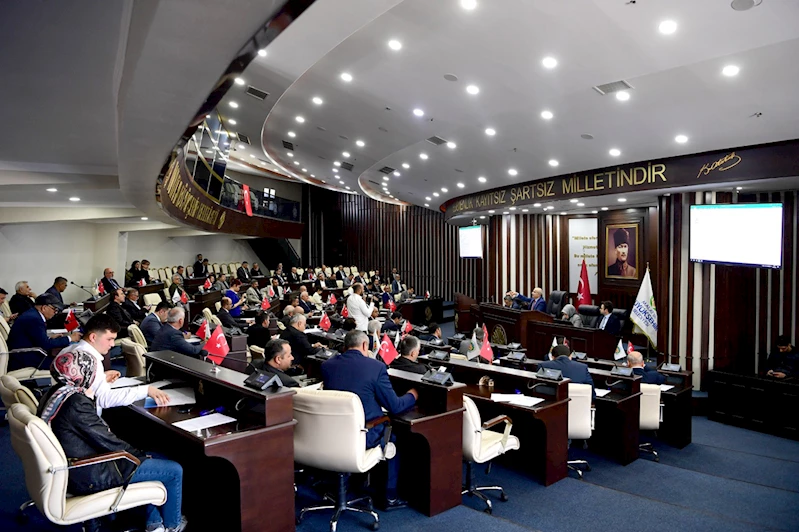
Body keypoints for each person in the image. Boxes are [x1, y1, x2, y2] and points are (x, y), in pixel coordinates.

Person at [38, 349, 187, 532]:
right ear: (85, 374)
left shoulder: (55, 392)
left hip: (74, 465)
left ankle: (154, 522)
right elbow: (107, 441)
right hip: (89, 474)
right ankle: (173, 525)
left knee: (154, 457)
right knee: (173, 470)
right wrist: (139, 456)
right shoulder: (76, 403)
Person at [321, 330, 417, 509]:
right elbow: (395, 406)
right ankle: (389, 497)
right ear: (365, 345)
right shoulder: (376, 367)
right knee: (394, 438)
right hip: (363, 433)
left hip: (332, 432)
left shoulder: (327, 365)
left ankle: (348, 485)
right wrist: (412, 395)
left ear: (345, 345)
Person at [60, 314, 169, 412]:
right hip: (85, 419)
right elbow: (104, 399)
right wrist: (145, 390)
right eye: (109, 339)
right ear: (93, 337)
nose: (112, 344)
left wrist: (101, 377)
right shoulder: (91, 360)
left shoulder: (67, 351)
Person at [6, 293, 82, 372]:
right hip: (24, 359)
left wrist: (49, 338)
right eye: (54, 309)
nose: (55, 313)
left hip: (25, 353)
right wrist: (70, 338)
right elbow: (45, 345)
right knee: (66, 363)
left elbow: (37, 339)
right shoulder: (34, 319)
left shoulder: (32, 314)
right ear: (44, 308)